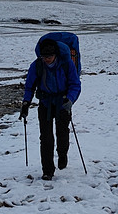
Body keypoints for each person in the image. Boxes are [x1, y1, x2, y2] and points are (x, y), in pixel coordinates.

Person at [20, 36, 81, 180]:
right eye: (44, 56)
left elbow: (75, 84)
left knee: (62, 133)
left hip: (63, 103)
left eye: (50, 56)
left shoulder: (67, 64)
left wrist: (70, 99)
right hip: (45, 103)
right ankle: (47, 170)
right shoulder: (37, 65)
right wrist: (25, 104)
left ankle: (62, 154)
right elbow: (29, 86)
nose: (47, 59)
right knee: (45, 138)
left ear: (56, 55)